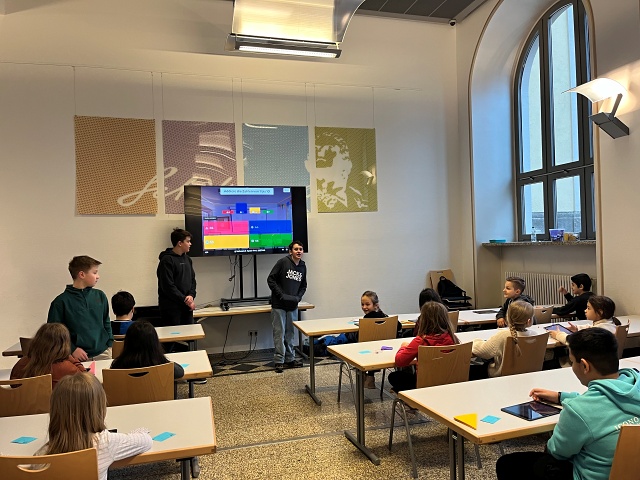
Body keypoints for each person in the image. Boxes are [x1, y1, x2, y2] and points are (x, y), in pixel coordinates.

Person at [495, 329, 640, 480]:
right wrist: (560, 396)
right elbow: (604, 402)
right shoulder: (634, 384)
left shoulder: (578, 411)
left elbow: (556, 452)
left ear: (584, 366)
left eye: (572, 362)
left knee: (507, 464)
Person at [33, 373, 152, 480]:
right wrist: (137, 432)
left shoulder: (42, 455)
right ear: (99, 408)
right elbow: (146, 441)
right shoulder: (104, 442)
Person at [47, 255, 113, 361]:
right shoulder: (60, 302)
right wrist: (72, 349)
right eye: (95, 272)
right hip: (75, 357)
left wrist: (109, 343)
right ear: (82, 274)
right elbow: (54, 334)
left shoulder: (100, 296)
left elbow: (106, 321)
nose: (98, 276)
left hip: (103, 352)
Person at [389, 301, 458, 392]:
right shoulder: (453, 338)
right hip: (449, 382)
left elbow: (400, 361)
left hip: (423, 385)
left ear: (423, 320)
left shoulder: (421, 341)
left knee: (394, 376)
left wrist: (403, 347)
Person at [267, 240, 307, 373]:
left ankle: (290, 359)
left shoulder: (303, 266)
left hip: (292, 305)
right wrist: (281, 295)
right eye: (296, 249)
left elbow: (303, 285)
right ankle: (279, 361)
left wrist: (298, 298)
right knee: (279, 333)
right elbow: (270, 279)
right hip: (279, 305)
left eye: (300, 249)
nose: (299, 251)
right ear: (290, 251)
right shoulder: (282, 262)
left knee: (290, 333)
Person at [472, 300, 537, 378]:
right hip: (528, 375)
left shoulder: (503, 335)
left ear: (508, 317)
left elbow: (483, 352)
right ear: (529, 321)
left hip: (502, 376)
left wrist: (476, 341)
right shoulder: (534, 335)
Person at [10, 323, 85, 388]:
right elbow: (85, 379)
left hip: (26, 400)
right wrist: (70, 357)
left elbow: (13, 384)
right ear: (64, 345)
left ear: (37, 340)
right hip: (55, 401)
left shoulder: (22, 364)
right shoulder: (67, 368)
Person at [110, 320, 184, 379]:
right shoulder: (162, 365)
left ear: (127, 342)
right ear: (155, 343)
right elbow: (180, 372)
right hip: (156, 394)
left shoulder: (117, 366)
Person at [157, 228, 197, 327]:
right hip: (171, 308)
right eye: (188, 241)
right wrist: (185, 300)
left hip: (186, 306)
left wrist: (191, 295)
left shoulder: (188, 259)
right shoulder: (167, 260)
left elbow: (192, 280)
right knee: (173, 335)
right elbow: (168, 286)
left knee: (189, 334)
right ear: (180, 243)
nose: (190, 244)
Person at [549, 295, 621, 345]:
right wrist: (577, 328)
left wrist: (558, 335)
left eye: (588, 308)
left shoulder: (598, 331)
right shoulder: (609, 323)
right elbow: (591, 328)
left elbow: (574, 341)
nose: (585, 310)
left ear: (600, 312)